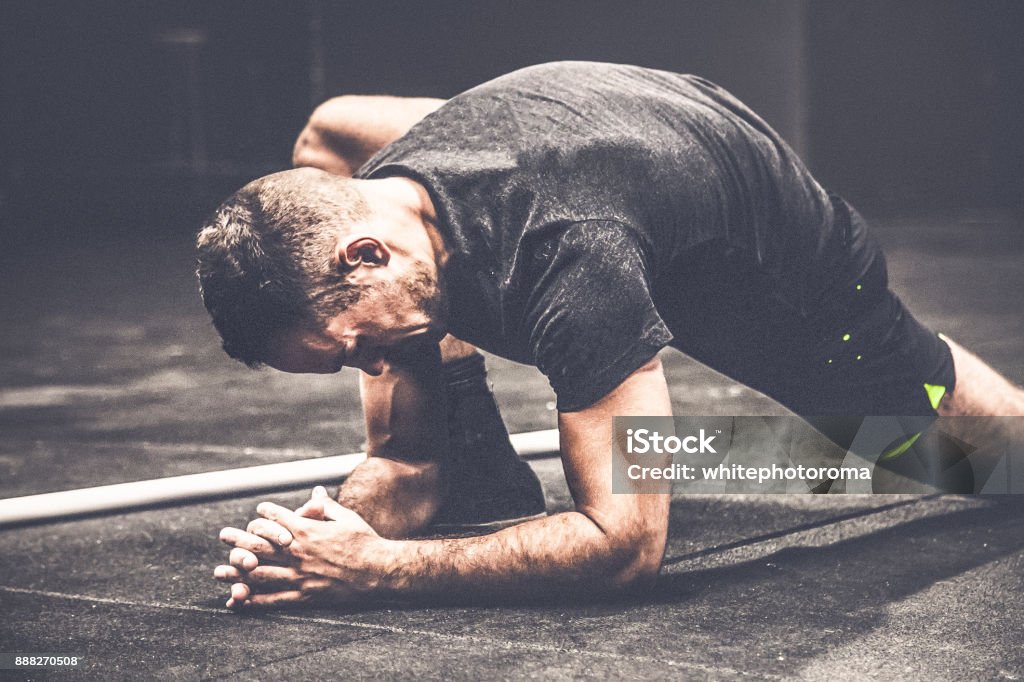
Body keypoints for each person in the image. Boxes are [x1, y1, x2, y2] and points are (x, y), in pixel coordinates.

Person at [197, 61, 1024, 609]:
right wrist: (320, 537)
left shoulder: (571, 262)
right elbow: (331, 127)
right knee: (330, 138)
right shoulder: (369, 191)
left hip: (775, 252)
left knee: (966, 452)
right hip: (627, 116)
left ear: (367, 251)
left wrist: (380, 570)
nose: (373, 367)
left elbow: (625, 545)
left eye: (354, 349)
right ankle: (463, 443)